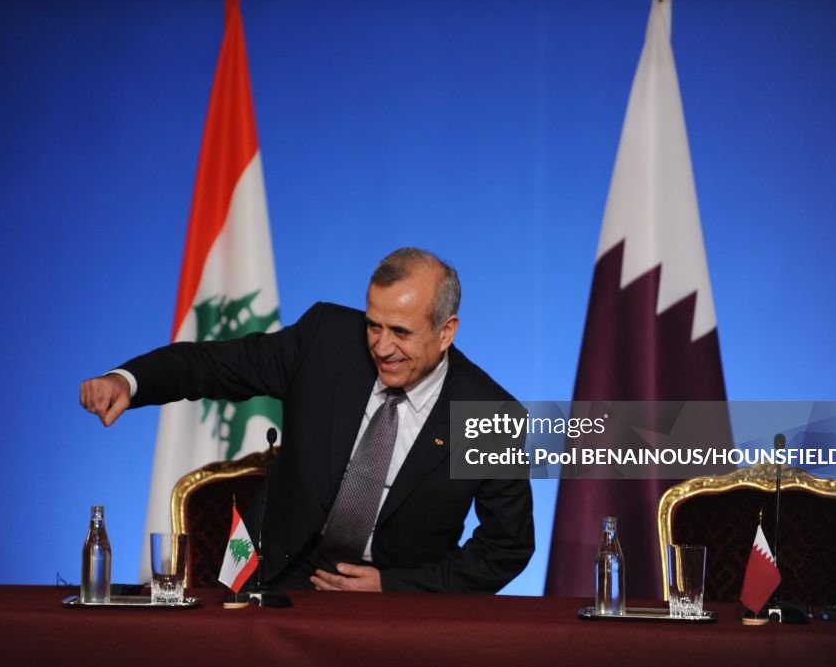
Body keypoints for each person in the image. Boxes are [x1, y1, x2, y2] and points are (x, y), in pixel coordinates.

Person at [80, 247, 534, 593]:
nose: (381, 346)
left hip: (395, 598)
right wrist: (130, 380)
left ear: (446, 331)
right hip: (269, 571)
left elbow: (505, 548)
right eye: (374, 325)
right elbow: (216, 365)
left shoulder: (489, 415)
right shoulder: (327, 340)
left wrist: (393, 586)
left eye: (401, 332)